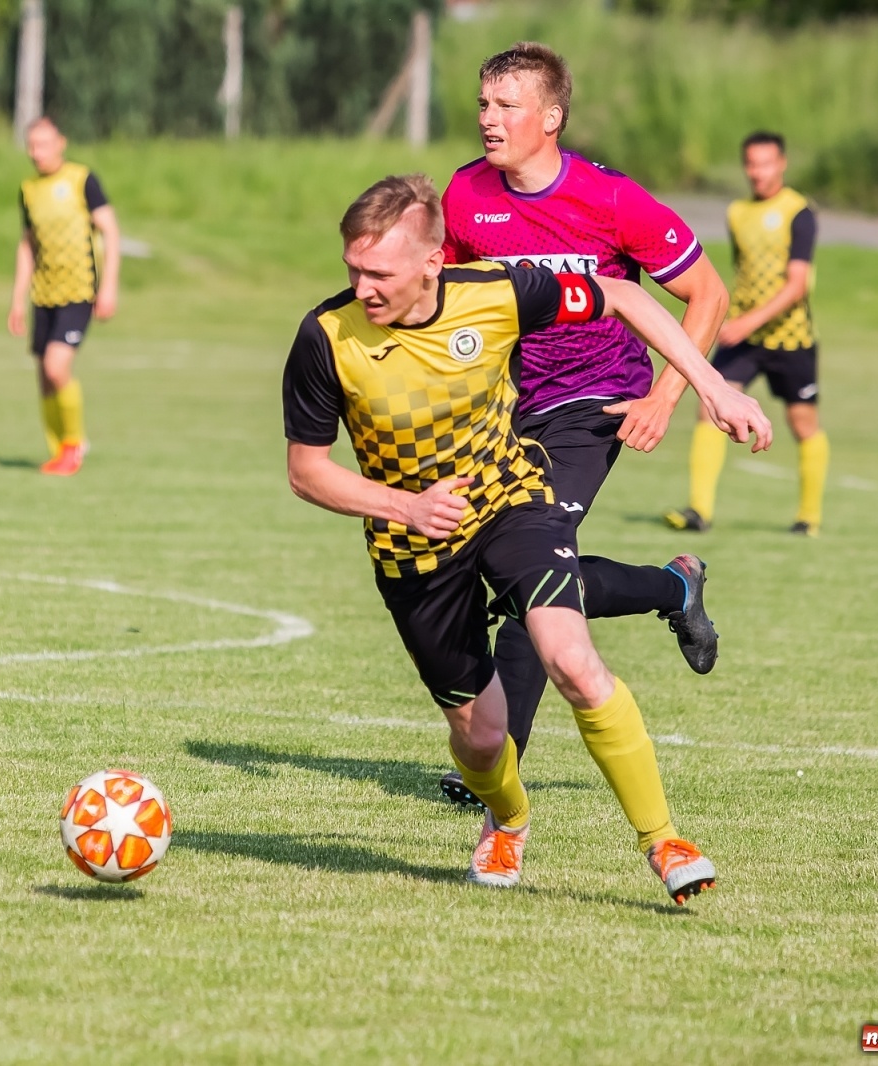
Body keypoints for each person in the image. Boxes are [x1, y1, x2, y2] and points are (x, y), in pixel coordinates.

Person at [281, 174, 771, 902]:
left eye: (379, 273)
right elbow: (306, 472)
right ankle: (507, 820)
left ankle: (664, 840)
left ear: (432, 262)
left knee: (572, 660)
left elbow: (622, 295)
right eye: (353, 268)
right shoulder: (327, 337)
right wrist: (404, 507)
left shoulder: (497, 292)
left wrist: (710, 386)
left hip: (511, 500)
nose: (362, 288)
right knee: (481, 738)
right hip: (414, 548)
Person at [435, 42, 730, 805]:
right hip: (508, 408)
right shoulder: (466, 194)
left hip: (596, 400)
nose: (488, 119)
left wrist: (664, 397)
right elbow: (448, 299)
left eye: (507, 106)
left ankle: (498, 764)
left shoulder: (610, 200)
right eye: (483, 104)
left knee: (532, 567)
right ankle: (672, 586)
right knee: (509, 569)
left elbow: (709, 295)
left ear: (551, 117)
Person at [666, 131, 828, 536]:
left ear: (782, 164)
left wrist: (746, 322)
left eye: (766, 163)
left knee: (802, 423)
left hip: (791, 338)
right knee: (709, 406)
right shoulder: (737, 212)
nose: (758, 172)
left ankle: (808, 518)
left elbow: (797, 285)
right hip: (743, 337)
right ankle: (699, 511)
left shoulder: (799, 212)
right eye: (752, 164)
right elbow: (743, 272)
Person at [8, 116, 120, 477]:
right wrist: (17, 299)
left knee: (57, 368)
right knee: (44, 376)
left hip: (78, 289)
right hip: (44, 294)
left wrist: (109, 285)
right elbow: (27, 245)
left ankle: (74, 445)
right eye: (31, 145)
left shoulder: (82, 180)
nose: (35, 152)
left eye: (43, 144)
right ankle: (58, 452)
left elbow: (111, 231)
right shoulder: (28, 189)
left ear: (61, 143)